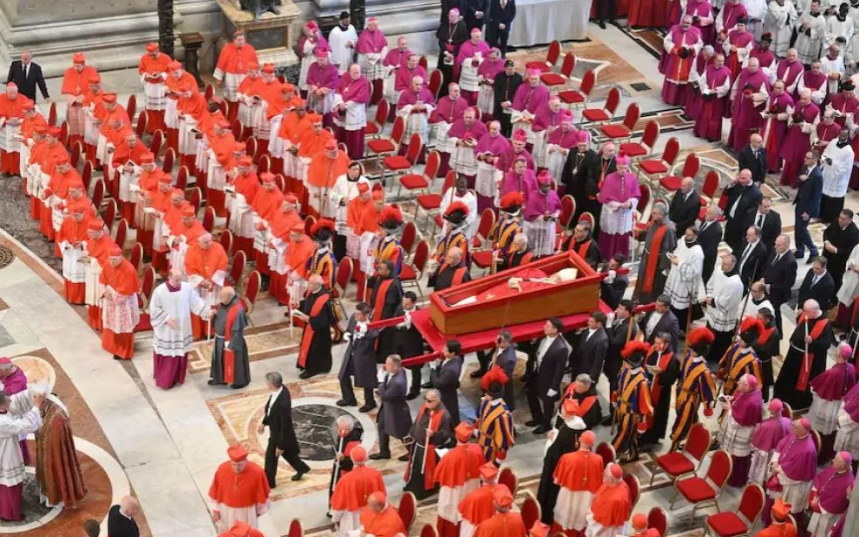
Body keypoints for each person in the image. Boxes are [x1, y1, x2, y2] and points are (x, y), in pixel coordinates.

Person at [775, 299, 834, 412]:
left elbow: (825, 344)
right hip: (794, 353)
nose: (804, 313)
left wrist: (812, 342)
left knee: (799, 381)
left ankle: (796, 402)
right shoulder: (807, 315)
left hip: (806, 358)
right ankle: (781, 396)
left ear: (815, 312)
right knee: (787, 375)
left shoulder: (824, 324)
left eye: (807, 311)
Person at [34, 390, 87, 509]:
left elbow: (52, 438)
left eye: (36, 398)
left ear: (44, 398)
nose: (34, 402)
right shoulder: (47, 408)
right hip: (45, 450)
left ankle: (59, 499)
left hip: (53, 453)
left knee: (57, 471)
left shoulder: (57, 418)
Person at [764, 418, 818, 528]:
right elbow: (781, 445)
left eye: (795, 427)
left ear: (803, 431)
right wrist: (775, 461)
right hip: (780, 472)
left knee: (787, 508)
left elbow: (796, 472)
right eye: (793, 425)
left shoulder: (807, 450)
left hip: (793, 483)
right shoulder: (794, 435)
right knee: (775, 502)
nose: (792, 428)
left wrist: (778, 470)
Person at [671, 326, 717, 451]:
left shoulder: (704, 370)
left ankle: (673, 446)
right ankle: (692, 437)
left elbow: (708, 389)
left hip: (690, 400)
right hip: (681, 392)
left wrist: (708, 408)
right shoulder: (689, 355)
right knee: (689, 419)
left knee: (681, 423)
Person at [548, 429, 603, 532]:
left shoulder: (567, 458)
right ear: (592, 444)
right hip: (587, 496)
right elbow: (599, 481)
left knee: (567, 513)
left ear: (580, 440)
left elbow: (557, 480)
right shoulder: (598, 459)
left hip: (569, 494)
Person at [434, 423, 484, 537]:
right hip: (472, 488)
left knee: (453, 506)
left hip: (455, 489)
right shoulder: (477, 449)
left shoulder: (449, 456)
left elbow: (439, 476)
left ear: (456, 437)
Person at [260, 371, 310, 486]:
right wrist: (264, 422)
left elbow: (285, 425)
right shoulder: (280, 389)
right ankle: (302, 468)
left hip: (279, 434)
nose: (266, 384)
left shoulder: (283, 403)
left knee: (270, 457)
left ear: (272, 384)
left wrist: (280, 445)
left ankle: (269, 482)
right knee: (289, 454)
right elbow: (270, 409)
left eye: (267, 383)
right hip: (277, 429)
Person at [809, 344, 856, 463]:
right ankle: (828, 455)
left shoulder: (832, 373)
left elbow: (817, 390)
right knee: (832, 432)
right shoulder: (851, 367)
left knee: (821, 433)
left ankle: (818, 457)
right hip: (840, 405)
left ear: (839, 354)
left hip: (827, 406)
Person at [208, 445, 270, 533]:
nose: (236, 468)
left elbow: (262, 494)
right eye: (233, 465)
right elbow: (215, 491)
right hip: (226, 510)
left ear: (245, 461)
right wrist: (215, 509)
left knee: (246, 532)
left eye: (239, 465)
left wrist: (260, 510)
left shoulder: (257, 473)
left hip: (247, 512)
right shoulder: (222, 469)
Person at [404, 388, 453, 499]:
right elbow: (417, 421)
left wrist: (434, 434)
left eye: (429, 400)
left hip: (430, 449)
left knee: (426, 471)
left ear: (437, 401)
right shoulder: (426, 407)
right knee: (415, 467)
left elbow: (446, 434)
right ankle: (412, 485)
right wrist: (411, 433)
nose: (426, 402)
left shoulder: (444, 415)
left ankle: (425, 490)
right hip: (418, 444)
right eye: (425, 399)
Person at [612, 341, 654, 462]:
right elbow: (616, 386)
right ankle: (632, 453)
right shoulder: (625, 370)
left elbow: (644, 405)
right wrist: (615, 400)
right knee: (629, 434)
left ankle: (612, 454)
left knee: (624, 435)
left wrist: (642, 422)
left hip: (632, 413)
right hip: (622, 408)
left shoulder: (642, 382)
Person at [718, 374, 765, 485]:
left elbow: (737, 422)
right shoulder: (753, 390)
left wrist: (729, 408)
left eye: (740, 382)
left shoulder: (751, 402)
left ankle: (734, 480)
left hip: (742, 431)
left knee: (736, 457)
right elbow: (740, 395)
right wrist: (733, 398)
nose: (737, 383)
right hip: (741, 427)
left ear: (747, 387)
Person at [330, 446, 386, 537]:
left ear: (352, 459)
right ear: (366, 458)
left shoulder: (345, 479)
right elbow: (382, 496)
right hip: (372, 514)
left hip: (352, 519)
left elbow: (338, 505)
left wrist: (335, 518)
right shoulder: (376, 474)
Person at [527, 319, 568, 435]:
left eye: (548, 326)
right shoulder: (543, 339)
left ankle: (546, 424)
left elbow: (559, 370)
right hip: (538, 374)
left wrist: (554, 387)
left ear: (555, 330)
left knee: (547, 403)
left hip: (548, 379)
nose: (544, 327)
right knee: (530, 393)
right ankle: (537, 418)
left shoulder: (561, 348)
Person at [639, 333, 681, 447]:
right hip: (647, 387)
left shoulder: (672, 358)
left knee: (657, 415)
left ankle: (651, 437)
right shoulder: (651, 350)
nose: (655, 345)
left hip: (661, 392)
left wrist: (661, 373)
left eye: (658, 343)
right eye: (655, 342)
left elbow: (672, 378)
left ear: (666, 344)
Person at [185, 233, 229, 339]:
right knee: (198, 304)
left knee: (214, 304)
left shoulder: (218, 248)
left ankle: (212, 331)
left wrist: (213, 281)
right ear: (199, 241)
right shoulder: (191, 251)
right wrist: (201, 281)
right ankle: (198, 332)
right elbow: (190, 270)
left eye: (210, 241)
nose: (210, 244)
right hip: (199, 286)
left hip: (214, 285)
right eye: (206, 242)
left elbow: (223, 265)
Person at [597, 155, 642, 260]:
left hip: (625, 212)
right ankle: (607, 257)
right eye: (621, 168)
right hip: (612, 212)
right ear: (617, 166)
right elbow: (604, 198)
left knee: (622, 235)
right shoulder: (609, 178)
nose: (623, 170)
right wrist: (617, 204)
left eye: (625, 168)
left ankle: (620, 257)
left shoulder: (632, 178)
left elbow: (636, 196)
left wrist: (630, 203)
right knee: (610, 236)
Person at [99, 247, 140, 360]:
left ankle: (123, 351)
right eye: (111, 259)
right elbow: (102, 279)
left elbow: (122, 297)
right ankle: (110, 346)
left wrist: (109, 291)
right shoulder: (108, 264)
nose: (112, 262)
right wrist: (105, 291)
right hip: (111, 299)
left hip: (124, 303)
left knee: (122, 326)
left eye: (115, 260)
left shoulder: (129, 270)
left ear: (121, 258)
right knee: (111, 323)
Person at [704, 254, 744, 369]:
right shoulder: (718, 270)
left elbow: (726, 303)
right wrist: (709, 296)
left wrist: (711, 301)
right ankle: (709, 354)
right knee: (710, 333)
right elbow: (710, 284)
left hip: (724, 315)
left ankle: (719, 359)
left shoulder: (735, 283)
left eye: (725, 264)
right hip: (713, 311)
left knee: (721, 339)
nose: (722, 266)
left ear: (733, 265)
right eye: (722, 263)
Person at [293, 274, 336, 380]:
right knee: (307, 346)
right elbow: (309, 302)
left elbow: (324, 319)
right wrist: (299, 304)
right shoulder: (312, 292)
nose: (308, 285)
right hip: (311, 327)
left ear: (317, 285)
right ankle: (305, 365)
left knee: (315, 350)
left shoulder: (324, 298)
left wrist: (308, 319)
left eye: (310, 284)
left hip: (319, 331)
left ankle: (314, 369)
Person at [338, 303, 379, 411]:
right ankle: (349, 398)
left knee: (366, 381)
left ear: (366, 315)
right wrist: (346, 334)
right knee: (343, 375)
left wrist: (364, 333)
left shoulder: (372, 326)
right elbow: (349, 329)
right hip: (351, 352)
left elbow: (374, 335)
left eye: (359, 314)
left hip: (364, 356)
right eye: (355, 313)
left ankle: (370, 403)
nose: (356, 316)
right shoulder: (354, 318)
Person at [372, 355, 413, 461]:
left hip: (397, 412)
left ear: (395, 367)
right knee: (381, 428)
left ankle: (412, 452)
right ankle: (384, 452)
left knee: (402, 434)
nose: (385, 366)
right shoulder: (398, 371)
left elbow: (385, 397)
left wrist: (380, 382)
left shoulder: (398, 383)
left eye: (388, 364)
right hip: (387, 408)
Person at [634, 203, 677, 304]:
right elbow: (648, 235)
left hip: (657, 263)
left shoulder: (668, 229)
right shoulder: (654, 222)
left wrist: (664, 269)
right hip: (647, 256)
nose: (652, 215)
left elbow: (669, 249)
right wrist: (638, 234)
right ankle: (638, 298)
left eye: (654, 213)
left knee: (653, 283)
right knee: (642, 277)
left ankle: (648, 302)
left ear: (662, 215)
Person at [208, 286, 250, 389]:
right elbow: (220, 318)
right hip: (220, 338)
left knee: (235, 362)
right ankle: (220, 379)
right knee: (219, 359)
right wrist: (213, 314)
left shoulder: (238, 310)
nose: (220, 298)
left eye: (222, 296)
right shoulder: (223, 304)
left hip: (232, 341)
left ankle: (239, 382)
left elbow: (237, 331)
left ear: (230, 297)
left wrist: (231, 346)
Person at [664, 226, 705, 330]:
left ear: (695, 236)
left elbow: (694, 272)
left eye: (689, 235)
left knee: (680, 308)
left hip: (684, 282)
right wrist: (673, 256)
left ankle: (679, 327)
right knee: (671, 303)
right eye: (686, 233)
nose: (686, 236)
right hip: (675, 277)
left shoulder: (697, 252)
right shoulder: (682, 239)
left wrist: (679, 263)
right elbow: (677, 251)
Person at [807, 452, 854, 537]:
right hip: (818, 502)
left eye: (836, 460)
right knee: (814, 530)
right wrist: (815, 494)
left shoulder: (848, 482)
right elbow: (820, 478)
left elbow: (837, 502)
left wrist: (819, 506)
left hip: (828, 514)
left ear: (842, 465)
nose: (832, 461)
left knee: (822, 533)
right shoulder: (834, 468)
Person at [214, 31, 259, 115]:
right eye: (239, 40)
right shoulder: (227, 48)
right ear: (234, 40)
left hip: (245, 76)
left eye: (242, 39)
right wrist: (218, 78)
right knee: (232, 97)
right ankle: (232, 114)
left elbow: (255, 63)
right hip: (231, 76)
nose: (241, 41)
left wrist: (256, 76)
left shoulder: (250, 49)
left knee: (245, 96)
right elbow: (221, 63)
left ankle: (244, 113)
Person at [662, 16, 704, 105]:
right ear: (681, 21)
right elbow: (666, 41)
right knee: (673, 77)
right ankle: (670, 99)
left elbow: (700, 44)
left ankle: (682, 100)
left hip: (688, 60)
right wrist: (674, 49)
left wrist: (692, 48)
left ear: (691, 23)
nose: (685, 25)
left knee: (685, 79)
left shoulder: (696, 32)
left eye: (688, 23)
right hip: (675, 58)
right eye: (684, 22)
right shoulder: (674, 29)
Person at [475, 371, 515, 463]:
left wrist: (500, 456)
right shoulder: (485, 402)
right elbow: (480, 417)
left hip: (491, 447)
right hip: (480, 440)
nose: (485, 394)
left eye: (487, 393)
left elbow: (504, 437)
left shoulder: (503, 415)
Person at [760, 235, 797, 334]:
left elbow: (788, 284)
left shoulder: (790, 262)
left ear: (786, 245)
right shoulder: (775, 250)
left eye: (779, 245)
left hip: (777, 293)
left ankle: (778, 333)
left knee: (775, 313)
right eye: (776, 244)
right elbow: (768, 266)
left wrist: (770, 287)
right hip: (767, 288)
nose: (775, 247)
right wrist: (763, 277)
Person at [327, 415, 364, 508]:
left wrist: (343, 458)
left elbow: (354, 461)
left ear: (351, 429)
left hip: (345, 471)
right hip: (339, 465)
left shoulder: (353, 441)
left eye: (346, 430)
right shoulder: (343, 435)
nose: (343, 432)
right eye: (340, 430)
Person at [584, 464, 631, 537]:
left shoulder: (615, 500)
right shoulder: (616, 482)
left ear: (610, 479)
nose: (602, 475)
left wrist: (590, 516)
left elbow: (605, 521)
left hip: (605, 528)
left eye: (604, 474)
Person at [794, 151, 824, 260]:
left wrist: (808, 212)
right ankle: (800, 250)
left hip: (807, 207)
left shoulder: (817, 176)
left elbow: (816, 197)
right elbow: (799, 180)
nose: (805, 159)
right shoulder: (804, 167)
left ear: (815, 160)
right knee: (797, 228)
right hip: (800, 202)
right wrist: (800, 179)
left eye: (808, 158)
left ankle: (813, 250)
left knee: (802, 229)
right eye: (805, 157)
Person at [820, 129, 854, 223]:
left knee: (834, 200)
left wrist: (832, 162)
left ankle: (832, 218)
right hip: (827, 174)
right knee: (824, 195)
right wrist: (824, 158)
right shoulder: (833, 142)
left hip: (838, 179)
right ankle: (821, 215)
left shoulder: (849, 151)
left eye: (844, 135)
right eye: (840, 134)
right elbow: (825, 152)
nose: (841, 137)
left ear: (847, 136)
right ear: (838, 133)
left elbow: (846, 168)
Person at [823, 210, 859, 292]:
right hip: (827, 255)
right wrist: (827, 242)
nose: (840, 220)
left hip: (839, 263)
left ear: (849, 220)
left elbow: (851, 251)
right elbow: (826, 232)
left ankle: (833, 299)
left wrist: (837, 251)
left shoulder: (854, 233)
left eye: (843, 219)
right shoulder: (836, 221)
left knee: (835, 280)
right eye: (840, 217)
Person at [432, 340, 465, 425]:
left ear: (453, 353)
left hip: (446, 394)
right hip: (450, 389)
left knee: (449, 413)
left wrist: (433, 369)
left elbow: (437, 384)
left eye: (445, 350)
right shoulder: (457, 358)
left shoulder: (450, 371)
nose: (442, 351)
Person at [572, 312, 609, 385]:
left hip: (587, 373)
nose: (588, 323)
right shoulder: (587, 330)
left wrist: (592, 378)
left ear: (599, 324)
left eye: (591, 322)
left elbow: (598, 361)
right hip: (578, 367)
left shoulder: (602, 340)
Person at [493, 61, 522, 136]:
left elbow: (518, 93)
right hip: (500, 106)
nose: (511, 71)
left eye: (513, 69)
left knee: (510, 126)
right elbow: (497, 91)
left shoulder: (518, 78)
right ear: (505, 68)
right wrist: (501, 102)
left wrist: (510, 102)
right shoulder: (499, 77)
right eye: (509, 69)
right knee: (500, 125)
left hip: (512, 106)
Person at [699, 206, 723, 287]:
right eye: (707, 211)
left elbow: (710, 249)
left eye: (709, 213)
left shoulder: (717, 230)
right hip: (700, 251)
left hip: (706, 260)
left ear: (715, 216)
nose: (706, 214)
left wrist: (698, 255)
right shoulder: (705, 219)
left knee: (702, 280)